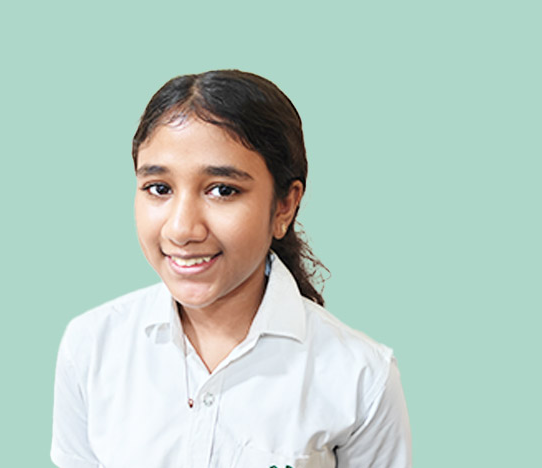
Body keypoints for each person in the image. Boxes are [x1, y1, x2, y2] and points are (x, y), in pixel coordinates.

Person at [51, 70, 412, 468]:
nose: (182, 229)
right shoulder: (91, 347)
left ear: (284, 206)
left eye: (223, 190)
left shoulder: (361, 378)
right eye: (159, 188)